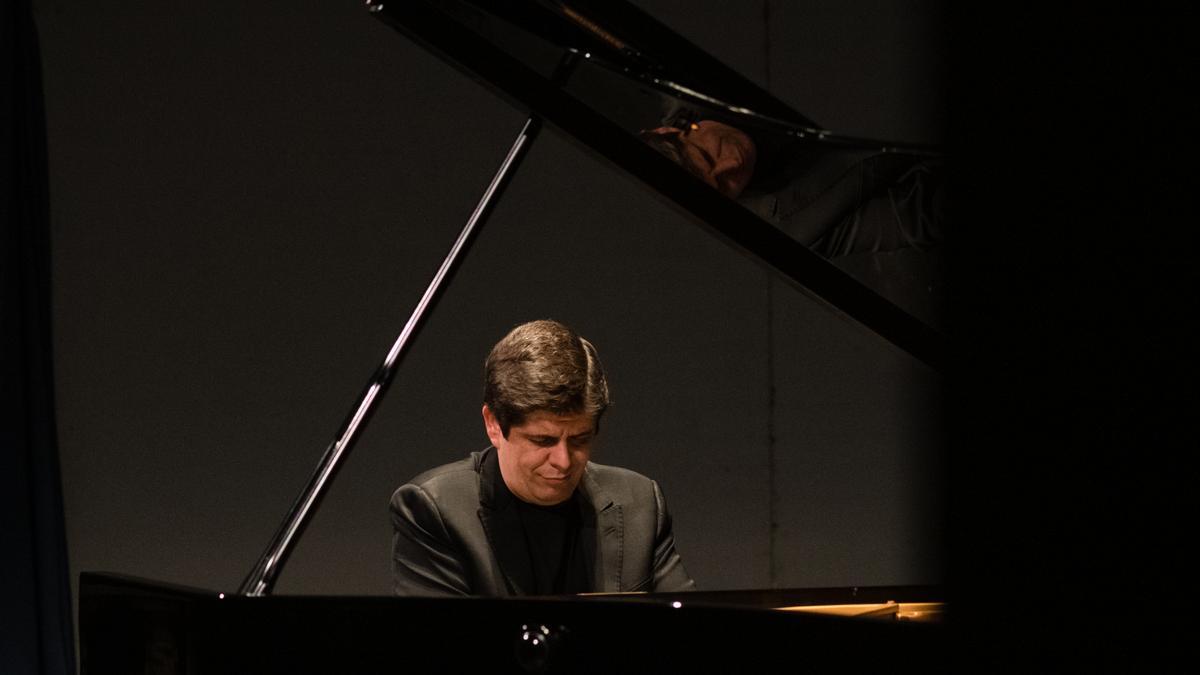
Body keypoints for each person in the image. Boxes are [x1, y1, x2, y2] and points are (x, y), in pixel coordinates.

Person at [390, 319, 695, 596]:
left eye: (580, 439)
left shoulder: (640, 503)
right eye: (543, 440)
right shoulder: (434, 510)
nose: (563, 461)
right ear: (494, 425)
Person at [640, 118, 944, 259]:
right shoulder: (791, 230)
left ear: (666, 129)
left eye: (707, 155)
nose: (730, 164)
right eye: (720, 185)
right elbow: (923, 215)